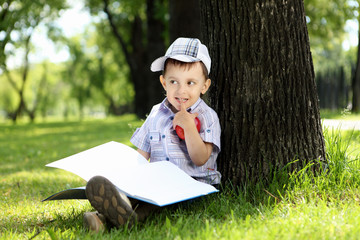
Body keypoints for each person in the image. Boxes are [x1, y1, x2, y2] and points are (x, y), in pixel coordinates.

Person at [83, 37, 221, 232]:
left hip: (192, 186)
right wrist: (127, 177)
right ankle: (104, 218)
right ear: (164, 82)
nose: (181, 90)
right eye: (174, 81)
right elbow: (141, 156)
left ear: (204, 86)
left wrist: (190, 128)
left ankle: (128, 217)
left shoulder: (208, 117)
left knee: (155, 201)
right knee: (137, 192)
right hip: (158, 181)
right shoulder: (156, 113)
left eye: (190, 83)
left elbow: (200, 159)